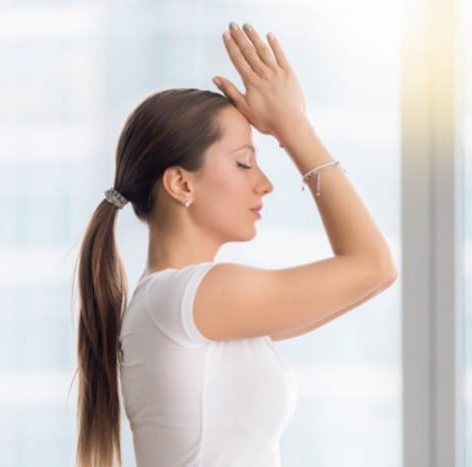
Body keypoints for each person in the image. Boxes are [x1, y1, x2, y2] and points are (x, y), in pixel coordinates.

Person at [73, 21, 398, 467]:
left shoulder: (182, 305)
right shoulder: (193, 297)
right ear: (181, 184)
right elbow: (373, 265)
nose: (264, 184)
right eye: (244, 163)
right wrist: (293, 128)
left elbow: (369, 279)